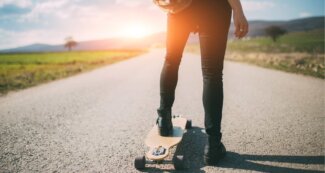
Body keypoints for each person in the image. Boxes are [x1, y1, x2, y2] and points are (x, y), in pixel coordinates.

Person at [155, 0, 248, 165]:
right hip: (214, 6)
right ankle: (213, 146)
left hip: (180, 6)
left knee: (171, 60)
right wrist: (237, 9)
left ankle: (164, 119)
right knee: (212, 73)